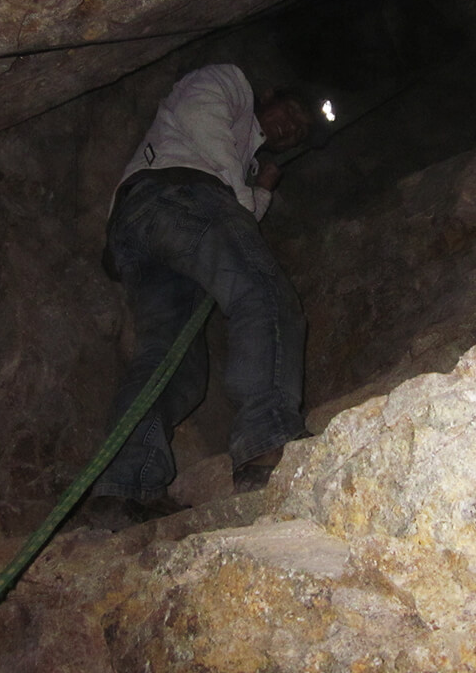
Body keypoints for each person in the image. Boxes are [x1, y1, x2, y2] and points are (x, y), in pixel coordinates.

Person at [90, 63, 316, 523]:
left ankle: (126, 487)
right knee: (263, 293)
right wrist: (244, 194)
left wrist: (260, 190)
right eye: (290, 112)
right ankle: (266, 438)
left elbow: (240, 214)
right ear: (268, 93)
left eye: (296, 132)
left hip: (141, 231)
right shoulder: (231, 81)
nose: (289, 127)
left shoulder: (243, 161)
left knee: (173, 364)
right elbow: (200, 117)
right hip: (177, 196)